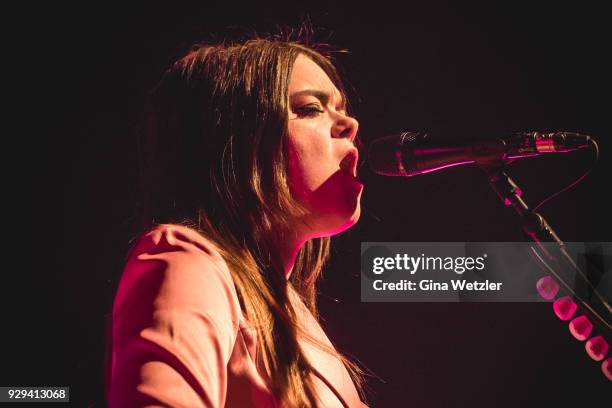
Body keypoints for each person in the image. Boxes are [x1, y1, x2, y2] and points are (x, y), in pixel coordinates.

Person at [106, 28, 368, 408]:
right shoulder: (188, 260)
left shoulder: (295, 316)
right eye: (311, 108)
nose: (350, 125)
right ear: (238, 141)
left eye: (341, 108)